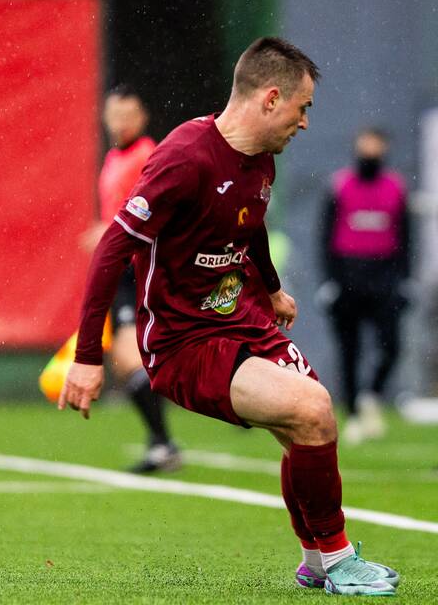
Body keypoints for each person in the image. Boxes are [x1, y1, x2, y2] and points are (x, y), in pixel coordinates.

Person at [59, 38, 399, 595]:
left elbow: (250, 222)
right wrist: (88, 357)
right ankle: (339, 561)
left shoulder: (261, 158)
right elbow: (112, 248)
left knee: (309, 425)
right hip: (183, 341)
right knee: (312, 409)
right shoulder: (183, 158)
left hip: (242, 318)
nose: (305, 122)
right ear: (270, 99)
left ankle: (317, 564)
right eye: (303, 107)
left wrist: (272, 288)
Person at [78, 85, 181, 473]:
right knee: (133, 360)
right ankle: (161, 441)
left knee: (129, 358)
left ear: (143, 117)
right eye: (114, 115)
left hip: (139, 268)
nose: (120, 122)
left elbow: (153, 212)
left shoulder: (145, 156)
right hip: (122, 268)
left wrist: (108, 231)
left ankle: (164, 444)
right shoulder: (114, 156)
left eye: (128, 115)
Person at [320, 127, 410, 444]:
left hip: (384, 277)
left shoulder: (395, 187)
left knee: (391, 345)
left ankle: (372, 393)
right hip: (348, 277)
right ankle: (354, 414)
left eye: (376, 144)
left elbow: (405, 236)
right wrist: (330, 280)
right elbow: (326, 236)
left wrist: (404, 279)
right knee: (349, 350)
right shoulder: (340, 185)